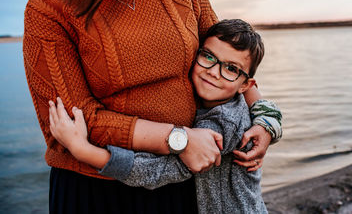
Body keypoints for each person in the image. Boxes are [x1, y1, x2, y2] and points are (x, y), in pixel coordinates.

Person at [23, 0, 282, 213]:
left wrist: (265, 120)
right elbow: (71, 119)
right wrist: (178, 139)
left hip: (183, 180)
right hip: (97, 187)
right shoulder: (48, 7)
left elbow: (230, 59)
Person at [49, 19, 281, 213]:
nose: (213, 72)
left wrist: (83, 150)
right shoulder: (211, 99)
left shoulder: (224, 124)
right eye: (208, 57)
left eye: (231, 69)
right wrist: (271, 121)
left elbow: (159, 171)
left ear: (246, 85)